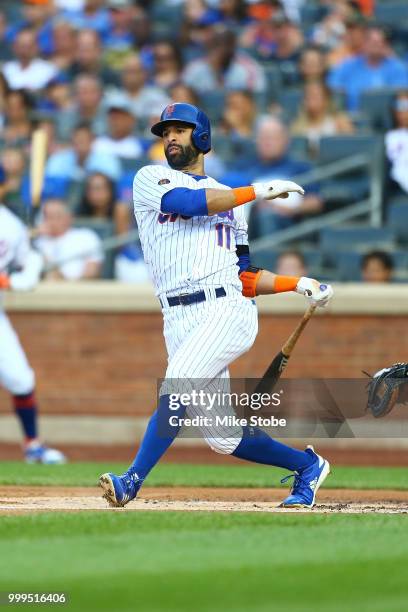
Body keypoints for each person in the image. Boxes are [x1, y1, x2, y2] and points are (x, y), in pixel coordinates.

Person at [99, 102, 333, 510]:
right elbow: (188, 204)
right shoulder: (150, 178)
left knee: (178, 383)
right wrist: (258, 191)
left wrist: (298, 284)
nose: (170, 137)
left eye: (180, 130)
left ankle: (131, 480)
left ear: (202, 136)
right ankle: (308, 466)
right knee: (224, 438)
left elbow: (244, 274)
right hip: (177, 317)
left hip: (227, 312)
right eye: (165, 131)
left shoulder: (233, 201)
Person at [0, 167, 66, 464]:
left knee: (21, 380)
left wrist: (32, 258)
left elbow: (25, 275)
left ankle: (32, 446)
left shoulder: (12, 226)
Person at [328, 25, 408, 112]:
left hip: (391, 119)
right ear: (364, 43)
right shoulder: (349, 66)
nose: (376, 46)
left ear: (385, 45)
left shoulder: (397, 67)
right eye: (372, 42)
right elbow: (333, 85)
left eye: (379, 42)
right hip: (355, 117)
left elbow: (403, 93)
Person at [35, 199, 104, 280]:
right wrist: (33, 236)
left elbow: (92, 273)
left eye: (55, 216)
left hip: (78, 289)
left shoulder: (86, 237)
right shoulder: (37, 241)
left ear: (69, 217)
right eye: (46, 216)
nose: (50, 221)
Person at [291, 81, 354, 155]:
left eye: (315, 96)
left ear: (326, 99)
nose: (310, 100)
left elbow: (350, 147)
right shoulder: (296, 125)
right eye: (307, 97)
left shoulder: (340, 121)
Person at [385, 91, 408, 196]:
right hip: (394, 186)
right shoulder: (387, 137)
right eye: (399, 106)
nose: (402, 111)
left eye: (406, 106)